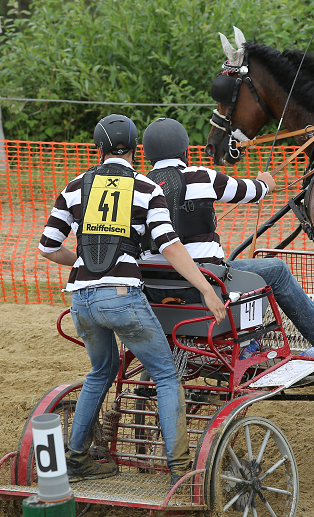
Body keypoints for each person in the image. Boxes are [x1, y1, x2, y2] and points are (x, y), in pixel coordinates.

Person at [39, 114, 226, 486]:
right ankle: (180, 470)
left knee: (100, 372)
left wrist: (79, 259)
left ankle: (76, 459)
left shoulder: (75, 187)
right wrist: (206, 288)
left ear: (98, 149)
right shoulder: (145, 188)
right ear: (136, 149)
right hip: (123, 298)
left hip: (81, 301)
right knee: (166, 375)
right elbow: (169, 245)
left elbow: (47, 247)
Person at [140, 117, 314, 352]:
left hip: (156, 290)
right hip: (206, 283)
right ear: (185, 151)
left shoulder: (140, 186)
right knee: (276, 270)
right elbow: (251, 191)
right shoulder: (202, 177)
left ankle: (249, 339)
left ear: (147, 154)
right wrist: (265, 182)